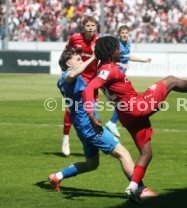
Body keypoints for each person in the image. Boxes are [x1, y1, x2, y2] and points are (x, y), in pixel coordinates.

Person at [82, 36, 187, 198]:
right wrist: (91, 115)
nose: (120, 50)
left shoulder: (102, 67)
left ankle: (133, 188)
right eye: (117, 48)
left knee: (146, 153)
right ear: (109, 52)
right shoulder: (109, 70)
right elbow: (88, 89)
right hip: (137, 106)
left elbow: (92, 85)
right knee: (171, 80)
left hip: (126, 115)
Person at [49, 48, 157, 199]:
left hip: (82, 127)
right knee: (123, 153)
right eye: (78, 59)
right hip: (91, 126)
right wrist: (92, 57)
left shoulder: (61, 81)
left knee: (91, 164)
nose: (81, 61)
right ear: (68, 63)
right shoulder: (68, 75)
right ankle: (140, 189)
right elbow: (73, 73)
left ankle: (57, 176)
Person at [61, 15, 100, 156]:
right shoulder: (75, 38)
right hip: (79, 77)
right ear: (83, 27)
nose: (90, 28)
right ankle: (65, 138)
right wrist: (65, 71)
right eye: (88, 25)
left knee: (93, 109)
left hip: (94, 80)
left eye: (93, 25)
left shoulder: (99, 41)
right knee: (73, 108)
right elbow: (66, 54)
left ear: (96, 26)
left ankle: (97, 139)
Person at [105, 25, 151, 138]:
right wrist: (121, 64)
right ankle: (112, 122)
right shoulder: (116, 45)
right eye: (122, 33)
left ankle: (113, 122)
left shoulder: (128, 44)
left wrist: (143, 60)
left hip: (120, 77)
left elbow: (129, 56)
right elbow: (109, 59)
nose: (124, 35)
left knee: (122, 103)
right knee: (125, 101)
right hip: (113, 78)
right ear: (119, 34)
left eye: (126, 33)